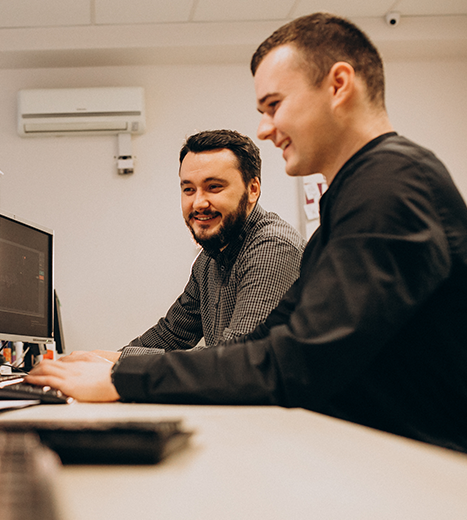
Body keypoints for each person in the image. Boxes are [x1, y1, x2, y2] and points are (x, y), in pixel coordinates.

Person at [26, 12, 467, 454]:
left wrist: (121, 377)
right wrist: (112, 367)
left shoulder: (391, 187)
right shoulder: (356, 195)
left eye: (274, 105)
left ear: (338, 85)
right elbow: (264, 343)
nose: (264, 129)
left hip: (422, 464)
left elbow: (291, 363)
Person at [94, 129, 304, 365]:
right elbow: (171, 334)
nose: (198, 203)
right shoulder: (210, 256)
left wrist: (117, 364)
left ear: (252, 189)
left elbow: (237, 358)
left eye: (214, 187)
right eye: (188, 189)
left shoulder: (273, 247)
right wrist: (100, 361)